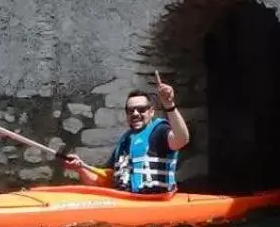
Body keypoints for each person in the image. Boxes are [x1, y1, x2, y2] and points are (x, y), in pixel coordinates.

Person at [61, 72, 191, 194]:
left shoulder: (160, 131)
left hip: (156, 201)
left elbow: (182, 139)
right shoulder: (124, 142)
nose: (135, 114)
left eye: (141, 109)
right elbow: (99, 182)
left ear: (151, 112)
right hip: (126, 201)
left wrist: (169, 104)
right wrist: (81, 168)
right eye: (130, 110)